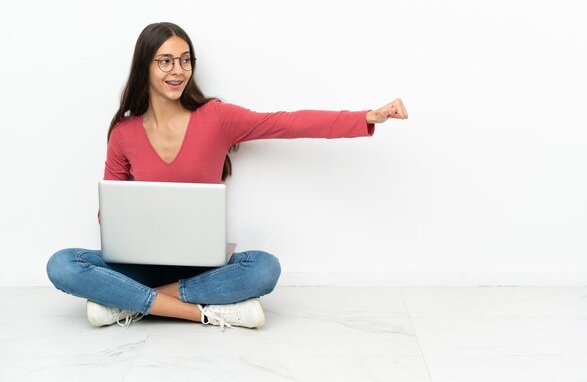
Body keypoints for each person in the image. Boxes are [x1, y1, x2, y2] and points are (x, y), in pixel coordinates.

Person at [46, 22, 408, 330]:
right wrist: (125, 218)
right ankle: (202, 313)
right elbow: (107, 213)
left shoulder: (216, 117)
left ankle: (128, 304)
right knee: (62, 264)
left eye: (185, 60)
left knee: (264, 269)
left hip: (201, 269)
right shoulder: (124, 131)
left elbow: (286, 122)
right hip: (139, 264)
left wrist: (365, 118)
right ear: (145, 67)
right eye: (166, 61)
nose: (178, 70)